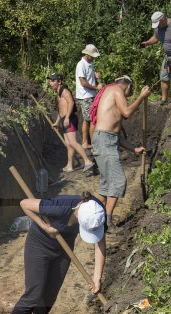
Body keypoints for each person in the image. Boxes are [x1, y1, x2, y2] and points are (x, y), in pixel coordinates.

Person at [3, 192, 107, 314]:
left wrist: (97, 277)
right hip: (39, 246)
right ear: (78, 214)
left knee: (51, 292)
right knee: (34, 293)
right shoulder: (60, 207)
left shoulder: (97, 212)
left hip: (63, 249)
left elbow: (100, 244)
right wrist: (45, 227)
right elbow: (24, 203)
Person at [91, 76, 148, 233]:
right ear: (128, 85)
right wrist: (142, 97)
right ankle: (107, 223)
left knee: (106, 187)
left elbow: (115, 134)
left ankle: (88, 214)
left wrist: (134, 149)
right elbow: (127, 112)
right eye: (131, 91)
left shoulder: (110, 93)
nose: (129, 96)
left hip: (105, 140)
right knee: (118, 181)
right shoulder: (116, 90)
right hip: (104, 141)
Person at [47, 73, 95, 173]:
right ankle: (69, 166)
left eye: (53, 80)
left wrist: (67, 118)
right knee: (69, 144)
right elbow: (61, 109)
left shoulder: (64, 90)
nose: (50, 82)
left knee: (73, 142)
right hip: (64, 119)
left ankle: (87, 161)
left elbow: (71, 102)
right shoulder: (58, 92)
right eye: (50, 80)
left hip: (70, 119)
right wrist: (57, 122)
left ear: (59, 81)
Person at [75, 44, 103, 149]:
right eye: (93, 56)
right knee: (91, 120)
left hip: (90, 95)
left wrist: (96, 77)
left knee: (88, 119)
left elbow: (89, 79)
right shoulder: (81, 65)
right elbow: (83, 83)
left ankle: (86, 142)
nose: (94, 58)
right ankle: (89, 143)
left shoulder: (90, 63)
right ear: (88, 54)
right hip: (85, 96)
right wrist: (96, 87)